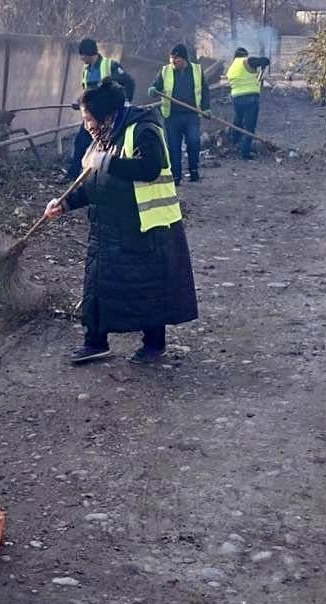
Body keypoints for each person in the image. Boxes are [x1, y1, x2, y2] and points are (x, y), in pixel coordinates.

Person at [45, 79, 198, 365]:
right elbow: (92, 186)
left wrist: (107, 162)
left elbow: (151, 168)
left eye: (89, 119)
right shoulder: (102, 138)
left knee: (147, 288)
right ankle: (95, 343)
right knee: (97, 287)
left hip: (145, 228)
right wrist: (64, 204)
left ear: (106, 116)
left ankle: (154, 345)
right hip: (106, 229)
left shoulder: (143, 129)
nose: (86, 126)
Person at [66, 38, 135, 181]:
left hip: (107, 116)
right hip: (91, 116)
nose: (81, 58)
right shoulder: (86, 70)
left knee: (106, 145)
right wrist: (80, 103)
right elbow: (88, 92)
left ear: (89, 53)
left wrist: (124, 102)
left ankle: (102, 175)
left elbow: (129, 83)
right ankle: (73, 174)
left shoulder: (110, 66)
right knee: (80, 142)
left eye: (82, 55)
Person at [150, 43, 211, 185]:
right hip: (172, 116)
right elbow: (156, 86)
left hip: (192, 115)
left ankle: (194, 171)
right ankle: (176, 176)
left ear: (184, 59)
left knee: (193, 142)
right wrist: (153, 89)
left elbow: (204, 90)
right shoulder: (165, 71)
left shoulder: (197, 70)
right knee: (173, 147)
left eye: (176, 60)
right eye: (172, 60)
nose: (173, 63)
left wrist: (206, 108)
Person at [224, 47, 271, 160]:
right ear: (245, 55)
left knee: (238, 122)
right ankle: (244, 153)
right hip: (250, 98)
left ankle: (235, 143)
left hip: (236, 99)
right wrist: (263, 64)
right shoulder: (246, 61)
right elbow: (264, 60)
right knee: (249, 127)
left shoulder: (231, 68)